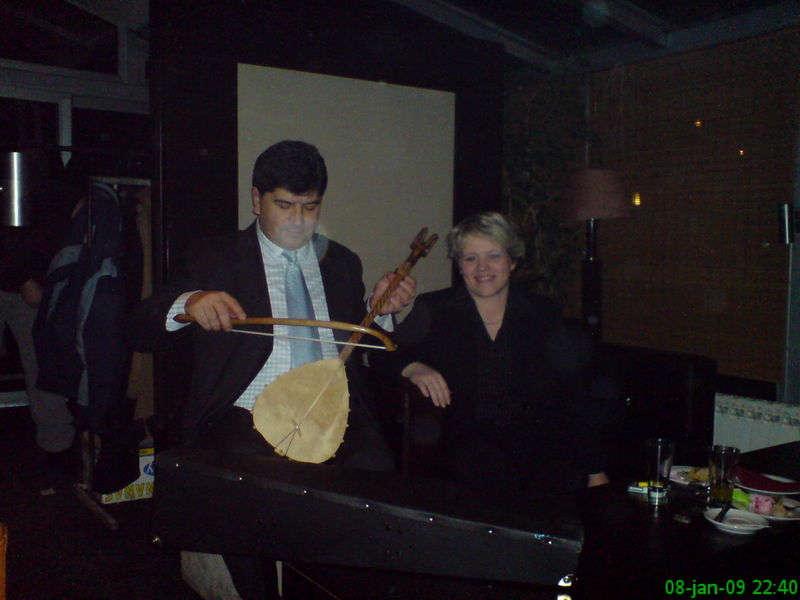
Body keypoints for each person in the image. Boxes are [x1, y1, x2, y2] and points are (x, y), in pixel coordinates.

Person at [128, 140, 415, 599]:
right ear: (256, 199)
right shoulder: (214, 257)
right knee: (251, 482)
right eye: (284, 206)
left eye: (310, 207)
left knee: (376, 472)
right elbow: (141, 328)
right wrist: (189, 303)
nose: (299, 221)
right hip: (245, 408)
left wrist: (381, 311)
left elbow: (361, 343)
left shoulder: (342, 262)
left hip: (329, 408)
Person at [374, 211, 608, 496]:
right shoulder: (435, 309)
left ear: (512, 261)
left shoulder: (543, 313)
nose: (482, 267)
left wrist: (595, 470)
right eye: (470, 258)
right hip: (465, 449)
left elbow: (572, 393)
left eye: (493, 256)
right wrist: (412, 366)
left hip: (538, 447)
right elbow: (381, 353)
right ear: (460, 266)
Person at [0, 150, 76, 494]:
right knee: (41, 366)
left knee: (42, 367)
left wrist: (27, 276)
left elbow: (35, 228)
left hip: (24, 284)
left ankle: (57, 449)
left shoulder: (36, 174)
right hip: (21, 280)